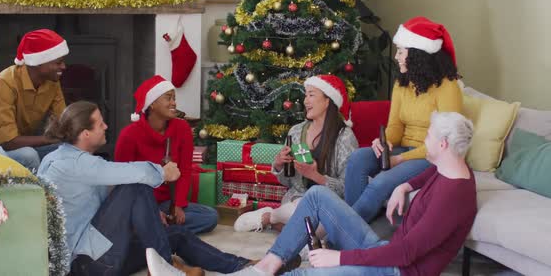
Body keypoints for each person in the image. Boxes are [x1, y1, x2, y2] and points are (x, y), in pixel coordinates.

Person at [145, 111, 476, 276]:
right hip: (385, 254)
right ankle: (263, 268)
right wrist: (406, 184)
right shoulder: (453, 168)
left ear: (444, 145)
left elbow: (405, 255)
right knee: (317, 198)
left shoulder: (453, 198)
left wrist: (340, 258)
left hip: (394, 271)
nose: (424, 141)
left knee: (309, 270)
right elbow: (432, 172)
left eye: (430, 136)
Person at [38, 101, 252, 276]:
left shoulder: (57, 158)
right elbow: (136, 173)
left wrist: (147, 214)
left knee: (175, 234)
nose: (106, 127)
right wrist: (164, 172)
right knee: (136, 185)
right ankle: (166, 266)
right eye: (100, 124)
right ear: (85, 133)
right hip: (88, 265)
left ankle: (244, 266)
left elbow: (102, 208)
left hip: (97, 253)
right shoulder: (77, 164)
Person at [344, 16, 463, 223]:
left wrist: (400, 159)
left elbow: (447, 141)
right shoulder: (402, 84)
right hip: (404, 149)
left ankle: (343, 230)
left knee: (381, 182)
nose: (397, 56)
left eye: (401, 51)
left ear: (417, 55)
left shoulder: (447, 86)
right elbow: (396, 126)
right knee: (357, 159)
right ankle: (353, 228)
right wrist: (385, 142)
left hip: (432, 155)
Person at [234, 75, 358, 233]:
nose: (305, 101)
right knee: (306, 215)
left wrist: (315, 176)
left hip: (329, 205)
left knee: (318, 225)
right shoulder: (296, 131)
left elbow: (349, 189)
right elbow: (288, 182)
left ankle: (270, 217)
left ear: (328, 101)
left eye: (311, 95)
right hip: (296, 200)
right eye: (305, 95)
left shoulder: (345, 137)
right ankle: (290, 225)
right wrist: (280, 164)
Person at [114, 75, 218, 234]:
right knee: (136, 217)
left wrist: (178, 204)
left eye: (174, 98)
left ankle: (156, 226)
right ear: (153, 103)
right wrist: (149, 210)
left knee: (210, 216)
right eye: (168, 98)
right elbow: (123, 181)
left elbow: (185, 169)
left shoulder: (182, 128)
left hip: (167, 201)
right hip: (141, 203)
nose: (174, 103)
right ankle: (155, 223)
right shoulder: (129, 135)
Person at [0, 29, 69, 170]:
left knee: (68, 150)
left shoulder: (52, 82)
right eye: (58, 62)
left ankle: (61, 190)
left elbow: (63, 122)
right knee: (28, 155)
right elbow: (9, 142)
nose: (63, 67)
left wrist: (77, 133)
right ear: (39, 62)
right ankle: (41, 191)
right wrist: (50, 138)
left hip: (21, 146)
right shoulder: (6, 82)